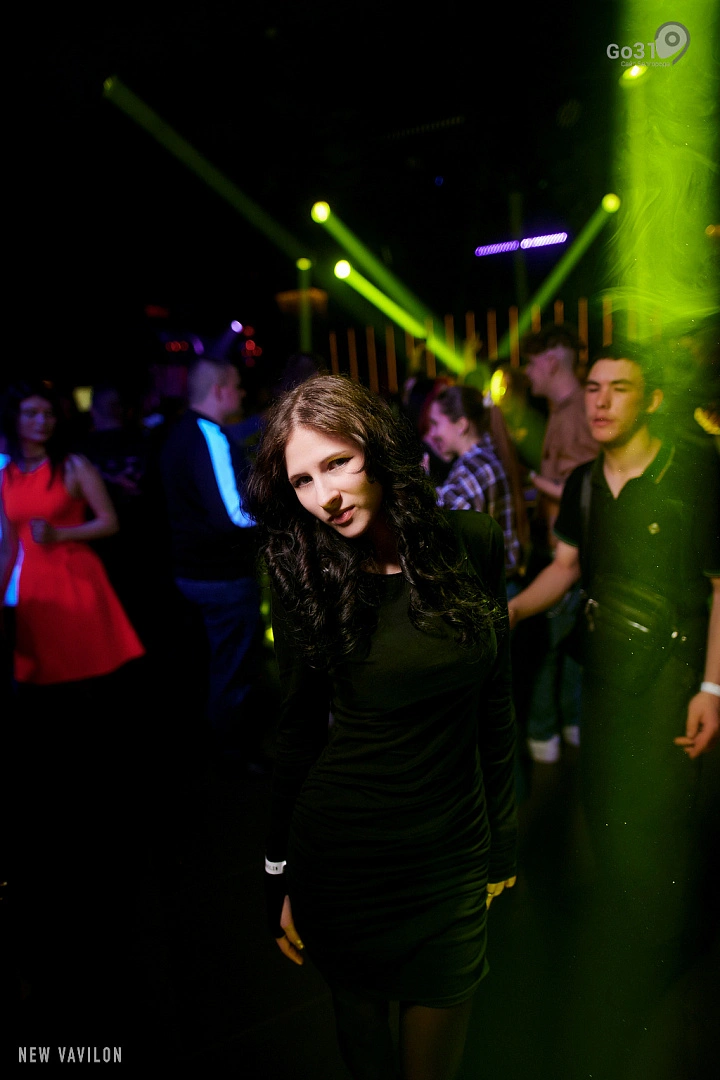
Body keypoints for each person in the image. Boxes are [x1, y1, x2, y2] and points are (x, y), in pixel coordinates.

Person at [246, 375, 517, 1080]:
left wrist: (504, 841)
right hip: (346, 861)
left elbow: (495, 700)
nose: (324, 497)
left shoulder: (472, 543)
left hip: (451, 856)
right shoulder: (304, 570)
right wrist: (278, 876)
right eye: (302, 481)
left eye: (337, 463)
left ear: (379, 447)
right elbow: (299, 733)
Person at [507, 342, 720, 1072]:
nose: (598, 402)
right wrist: (510, 611)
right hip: (603, 673)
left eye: (618, 389)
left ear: (651, 400)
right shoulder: (583, 483)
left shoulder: (691, 475)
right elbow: (565, 568)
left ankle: (667, 958)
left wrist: (712, 689)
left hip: (673, 676)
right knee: (604, 806)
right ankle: (641, 939)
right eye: (593, 388)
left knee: (666, 818)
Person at [0, 380, 145, 685]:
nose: (42, 421)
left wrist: (59, 535)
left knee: (86, 680)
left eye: (48, 413)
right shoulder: (6, 477)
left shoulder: (73, 466)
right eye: (31, 413)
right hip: (33, 589)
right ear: (14, 418)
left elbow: (110, 521)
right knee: (42, 681)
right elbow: (8, 548)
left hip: (75, 579)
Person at [160, 357, 263, 770]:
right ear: (220, 390)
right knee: (233, 666)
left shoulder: (177, 432)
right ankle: (234, 752)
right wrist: (279, 513)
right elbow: (234, 515)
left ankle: (210, 744)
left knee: (207, 663)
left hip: (190, 571)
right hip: (221, 576)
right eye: (237, 386)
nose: (241, 393)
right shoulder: (209, 434)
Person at [518, 323, 599, 762]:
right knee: (564, 648)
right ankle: (571, 726)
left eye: (531, 364)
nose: (528, 374)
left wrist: (533, 482)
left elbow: (586, 487)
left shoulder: (580, 411)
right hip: (563, 552)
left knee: (550, 648)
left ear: (550, 361)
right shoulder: (562, 409)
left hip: (570, 556)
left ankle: (547, 734)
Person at [428, 385, 523, 587]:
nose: (432, 434)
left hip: (493, 589)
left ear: (461, 425)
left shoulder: (473, 468)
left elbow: (439, 521)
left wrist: (419, 486)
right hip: (505, 582)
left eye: (436, 424)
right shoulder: (488, 453)